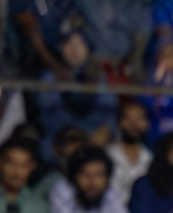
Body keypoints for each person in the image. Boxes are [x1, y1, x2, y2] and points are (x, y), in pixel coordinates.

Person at [35, 29, 116, 158]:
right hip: (62, 137)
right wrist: (77, 134)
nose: (74, 49)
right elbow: (49, 113)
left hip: (94, 135)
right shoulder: (49, 77)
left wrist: (104, 129)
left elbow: (108, 108)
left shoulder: (99, 76)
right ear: (60, 48)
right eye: (68, 44)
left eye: (80, 43)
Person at [106, 100, 153, 200]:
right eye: (128, 118)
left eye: (139, 118)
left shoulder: (151, 159)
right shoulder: (107, 155)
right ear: (119, 122)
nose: (133, 123)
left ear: (148, 123)